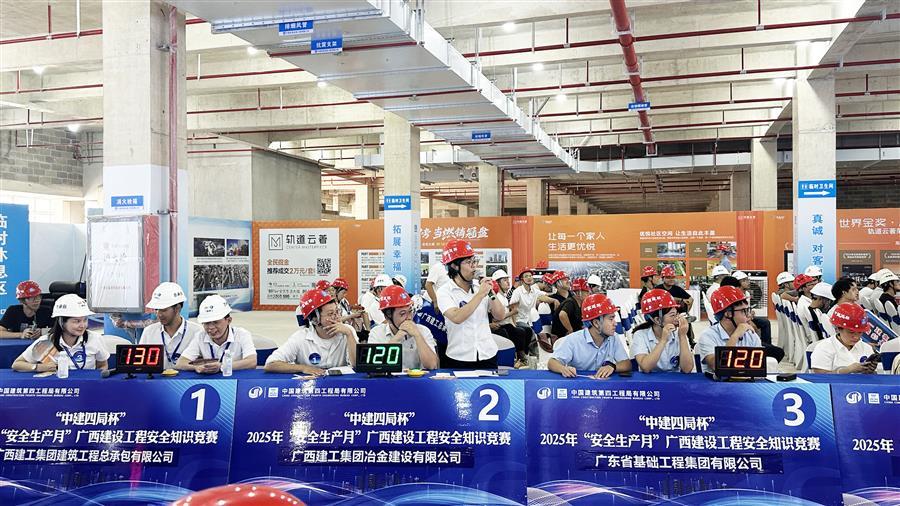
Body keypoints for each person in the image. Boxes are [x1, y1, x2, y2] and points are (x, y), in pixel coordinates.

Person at [435, 239, 506, 369]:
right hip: (458, 357)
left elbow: (500, 315)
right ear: (454, 266)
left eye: (474, 261)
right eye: (469, 262)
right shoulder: (444, 292)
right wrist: (480, 294)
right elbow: (457, 317)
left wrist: (491, 292)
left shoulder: (481, 287)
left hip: (487, 354)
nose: (474, 266)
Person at [265, 288, 358, 375]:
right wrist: (303, 368)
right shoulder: (301, 337)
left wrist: (349, 334)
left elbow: (356, 365)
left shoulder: (347, 331)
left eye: (337, 312)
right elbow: (271, 364)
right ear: (315, 319)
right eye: (331, 314)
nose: (337, 317)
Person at [12, 294, 109, 372]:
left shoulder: (95, 339)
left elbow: (102, 365)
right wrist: (38, 367)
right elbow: (16, 364)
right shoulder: (46, 342)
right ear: (62, 322)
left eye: (85, 320)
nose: (82, 325)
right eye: (76, 321)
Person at [548, 294, 632, 378]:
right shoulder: (574, 340)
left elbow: (627, 364)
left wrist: (613, 366)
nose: (615, 323)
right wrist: (563, 369)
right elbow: (552, 362)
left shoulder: (613, 338)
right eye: (611, 319)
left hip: (603, 384)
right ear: (596, 323)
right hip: (579, 383)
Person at [176, 295, 257, 374]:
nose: (211, 327)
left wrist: (222, 366)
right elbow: (180, 363)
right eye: (206, 323)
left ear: (228, 320)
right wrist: (195, 367)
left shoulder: (242, 335)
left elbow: (252, 362)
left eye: (216, 322)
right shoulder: (200, 336)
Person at [366, 285, 438, 370]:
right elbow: (374, 367)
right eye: (402, 314)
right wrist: (397, 337)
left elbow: (432, 365)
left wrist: (418, 336)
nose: (409, 317)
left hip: (416, 378)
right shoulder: (377, 333)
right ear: (387, 317)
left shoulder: (423, 330)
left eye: (410, 311)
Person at [697, 286, 763, 374]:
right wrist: (735, 336)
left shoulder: (750, 334)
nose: (749, 315)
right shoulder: (708, 336)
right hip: (716, 382)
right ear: (728, 314)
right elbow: (717, 365)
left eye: (748, 310)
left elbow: (758, 368)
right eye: (744, 311)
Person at [139, 282, 202, 369]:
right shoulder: (149, 332)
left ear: (177, 308)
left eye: (163, 310)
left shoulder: (197, 332)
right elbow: (140, 366)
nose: (158, 314)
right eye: (156, 309)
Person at [631, 289, 693, 373]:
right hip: (651, 380)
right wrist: (663, 340)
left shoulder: (679, 333)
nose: (677, 319)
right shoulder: (640, 335)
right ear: (657, 320)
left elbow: (687, 369)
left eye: (677, 314)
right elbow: (645, 367)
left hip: (675, 379)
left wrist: (682, 337)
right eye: (672, 315)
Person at [810, 302, 877, 374]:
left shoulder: (866, 348)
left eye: (860, 332)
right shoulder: (824, 348)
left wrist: (869, 372)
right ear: (838, 329)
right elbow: (819, 377)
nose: (856, 337)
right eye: (851, 332)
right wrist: (846, 371)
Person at [488, 269, 531, 367]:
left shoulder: (504, 296)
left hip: (504, 324)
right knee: (511, 331)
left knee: (525, 330)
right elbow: (495, 318)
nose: (508, 282)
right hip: (497, 326)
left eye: (508, 279)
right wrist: (512, 312)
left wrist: (513, 319)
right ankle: (516, 358)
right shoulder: (494, 297)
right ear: (497, 283)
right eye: (504, 280)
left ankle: (522, 357)